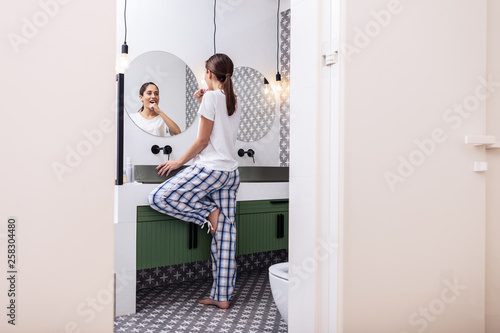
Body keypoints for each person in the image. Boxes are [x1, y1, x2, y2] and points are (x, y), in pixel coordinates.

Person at [148, 54, 241, 309]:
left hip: (210, 170)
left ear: (209, 74)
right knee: (225, 236)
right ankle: (222, 296)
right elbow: (221, 132)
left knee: (158, 197)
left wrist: (178, 163)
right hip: (231, 173)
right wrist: (205, 98)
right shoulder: (232, 100)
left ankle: (209, 212)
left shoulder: (211, 98)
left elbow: (202, 142)